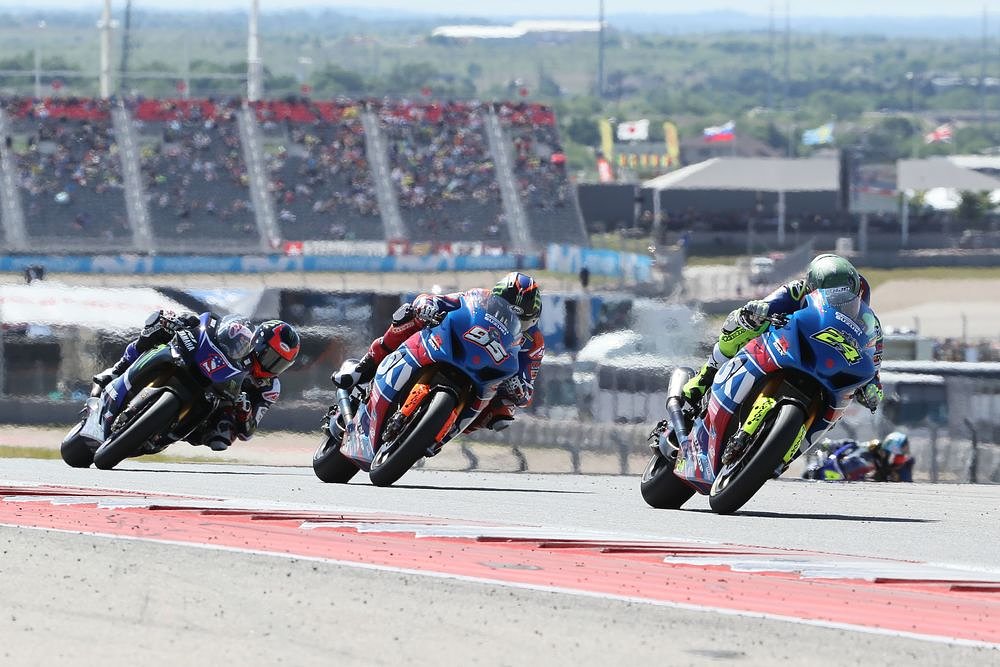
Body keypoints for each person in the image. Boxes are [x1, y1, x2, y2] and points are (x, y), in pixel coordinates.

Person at [332, 271, 545, 434]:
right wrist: (427, 305)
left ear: (532, 320)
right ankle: (363, 368)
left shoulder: (534, 343)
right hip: (454, 346)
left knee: (504, 413)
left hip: (487, 375)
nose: (507, 319)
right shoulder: (479, 297)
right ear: (494, 297)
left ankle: (443, 429)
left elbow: (527, 388)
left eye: (521, 319)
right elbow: (443, 301)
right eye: (502, 308)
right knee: (409, 314)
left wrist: (518, 389)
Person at [682, 253, 884, 412]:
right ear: (812, 287)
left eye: (843, 295)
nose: (838, 301)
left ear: (856, 291)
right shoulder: (797, 290)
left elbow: (873, 364)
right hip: (787, 347)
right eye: (830, 294)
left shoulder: (870, 322)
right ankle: (707, 375)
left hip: (830, 370)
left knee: (846, 400)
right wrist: (758, 311)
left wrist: (873, 387)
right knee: (740, 320)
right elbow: (766, 305)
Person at [92, 311, 300, 451]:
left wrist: (244, 411)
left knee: (223, 436)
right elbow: (212, 327)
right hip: (201, 364)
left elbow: (249, 432)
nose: (272, 367)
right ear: (259, 344)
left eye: (280, 364)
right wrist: (186, 321)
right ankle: (117, 370)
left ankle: (163, 431)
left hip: (217, 402)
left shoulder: (270, 387)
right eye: (271, 358)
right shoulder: (241, 334)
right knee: (159, 325)